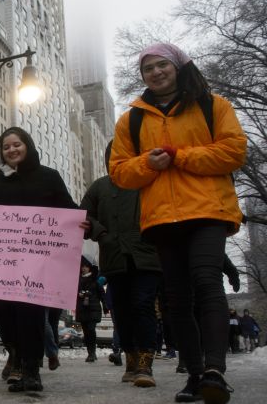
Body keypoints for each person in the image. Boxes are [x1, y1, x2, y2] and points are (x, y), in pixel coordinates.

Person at [110, 43, 247, 404]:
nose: (155, 73)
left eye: (161, 65)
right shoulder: (131, 120)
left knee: (206, 283)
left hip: (208, 212)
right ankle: (196, 375)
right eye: (148, 69)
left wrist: (179, 156)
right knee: (176, 301)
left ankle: (215, 370)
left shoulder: (213, 106)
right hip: (162, 219)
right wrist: (148, 165)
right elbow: (119, 172)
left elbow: (234, 151)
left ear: (179, 67)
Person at [0, 127, 89, 393]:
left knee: (30, 314)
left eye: (17, 144)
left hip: (37, 264)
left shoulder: (49, 177)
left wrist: (85, 222)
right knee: (0, 311)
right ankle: (14, 352)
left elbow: (67, 209)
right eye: (6, 147)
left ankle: (30, 370)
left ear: (27, 146)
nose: (12, 150)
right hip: (0, 264)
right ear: (0, 153)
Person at [81, 141, 163, 387]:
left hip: (146, 257)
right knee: (122, 311)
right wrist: (100, 233)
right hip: (114, 258)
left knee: (143, 306)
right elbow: (84, 216)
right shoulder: (100, 187)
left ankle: (146, 363)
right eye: (114, 155)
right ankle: (131, 358)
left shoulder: (148, 179)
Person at [76, 257, 105, 364]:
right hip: (82, 309)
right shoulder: (77, 280)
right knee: (86, 332)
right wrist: (78, 294)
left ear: (90, 268)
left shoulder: (95, 280)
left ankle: (92, 353)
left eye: (86, 266)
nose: (84, 268)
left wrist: (106, 306)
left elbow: (102, 294)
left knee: (91, 329)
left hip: (93, 309)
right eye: (82, 266)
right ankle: (90, 352)